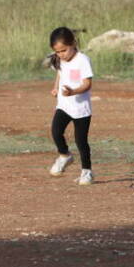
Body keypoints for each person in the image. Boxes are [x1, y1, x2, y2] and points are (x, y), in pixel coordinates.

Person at [46, 27, 95, 185]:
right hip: (64, 105)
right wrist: (56, 87)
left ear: (73, 43)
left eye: (64, 50)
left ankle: (87, 172)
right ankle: (64, 155)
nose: (61, 55)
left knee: (81, 141)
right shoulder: (60, 59)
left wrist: (74, 91)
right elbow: (60, 72)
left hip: (81, 109)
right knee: (56, 131)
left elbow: (87, 84)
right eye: (58, 52)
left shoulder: (82, 60)